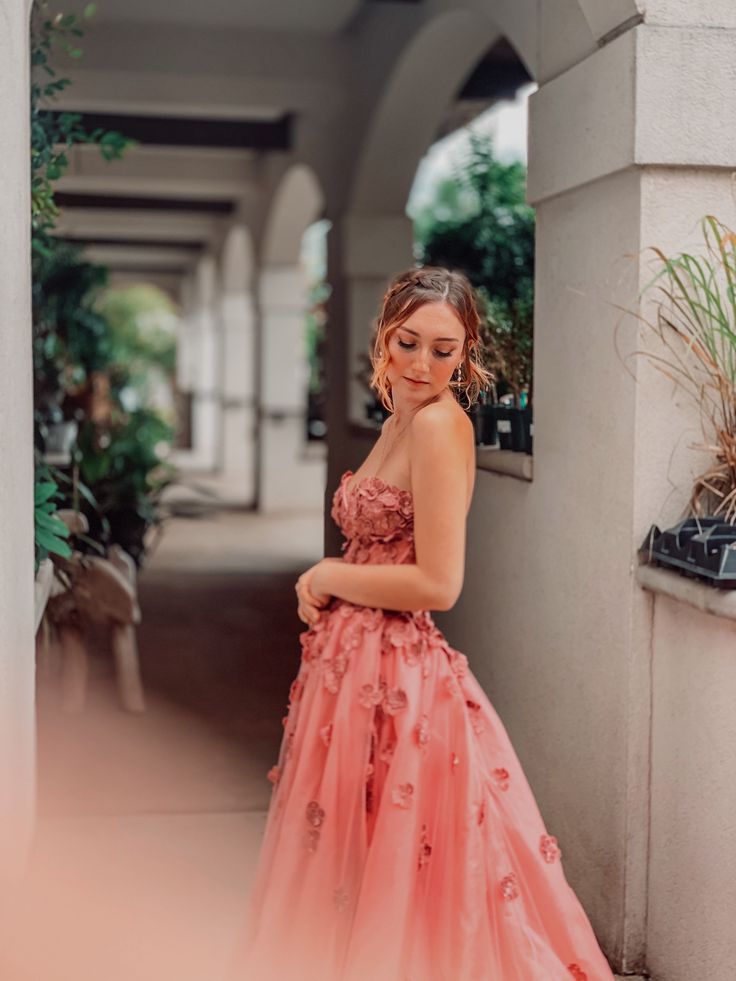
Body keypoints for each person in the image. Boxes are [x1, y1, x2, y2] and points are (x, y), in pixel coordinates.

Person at [229, 267, 616, 981]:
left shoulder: (441, 425)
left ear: (465, 353)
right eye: (409, 342)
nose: (421, 364)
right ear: (384, 333)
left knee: (407, 874)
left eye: (444, 351)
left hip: (397, 677)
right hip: (350, 672)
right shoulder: (399, 417)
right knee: (350, 863)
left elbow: (438, 584)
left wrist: (327, 575)